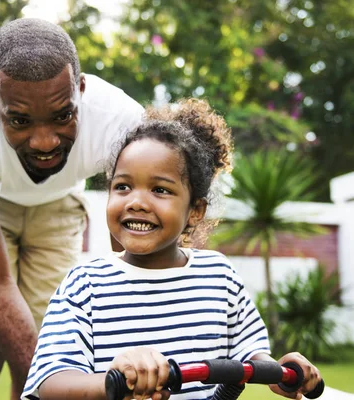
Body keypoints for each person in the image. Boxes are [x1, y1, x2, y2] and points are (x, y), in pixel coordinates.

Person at [22, 99, 322, 400]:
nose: (136, 202)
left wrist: (278, 373)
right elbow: (51, 382)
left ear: (195, 210)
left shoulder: (219, 277)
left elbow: (250, 352)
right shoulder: (85, 284)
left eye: (160, 190)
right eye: (123, 186)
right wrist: (113, 382)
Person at [0, 18, 144, 400]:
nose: (44, 142)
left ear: (81, 89)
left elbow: (128, 264)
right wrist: (53, 383)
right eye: (19, 120)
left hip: (58, 212)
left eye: (62, 116)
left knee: (54, 344)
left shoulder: (121, 122)